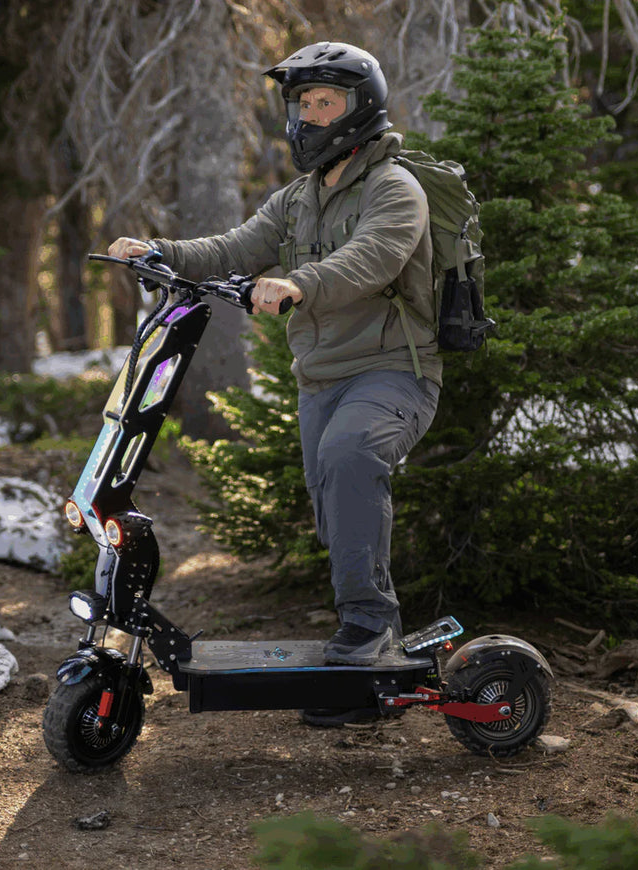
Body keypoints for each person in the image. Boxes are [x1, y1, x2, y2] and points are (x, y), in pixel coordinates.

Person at [108, 42, 440, 688]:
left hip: (394, 373)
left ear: (360, 107)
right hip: (321, 378)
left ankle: (371, 630)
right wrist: (161, 251)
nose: (312, 116)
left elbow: (371, 259)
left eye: (326, 102)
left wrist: (298, 285)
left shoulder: (397, 190)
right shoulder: (299, 198)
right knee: (334, 507)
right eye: (304, 103)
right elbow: (235, 247)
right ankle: (361, 676)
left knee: (349, 457)